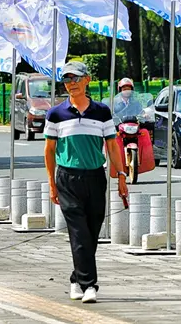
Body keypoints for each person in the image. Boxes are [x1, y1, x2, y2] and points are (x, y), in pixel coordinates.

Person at [44, 60, 128, 304]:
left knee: (91, 232)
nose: (71, 84)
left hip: (95, 177)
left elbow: (112, 145)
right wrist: (52, 184)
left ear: (87, 80)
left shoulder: (102, 112)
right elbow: (49, 151)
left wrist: (121, 176)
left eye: (76, 79)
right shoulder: (56, 114)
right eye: (67, 80)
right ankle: (90, 285)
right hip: (67, 178)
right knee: (79, 232)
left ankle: (76, 279)